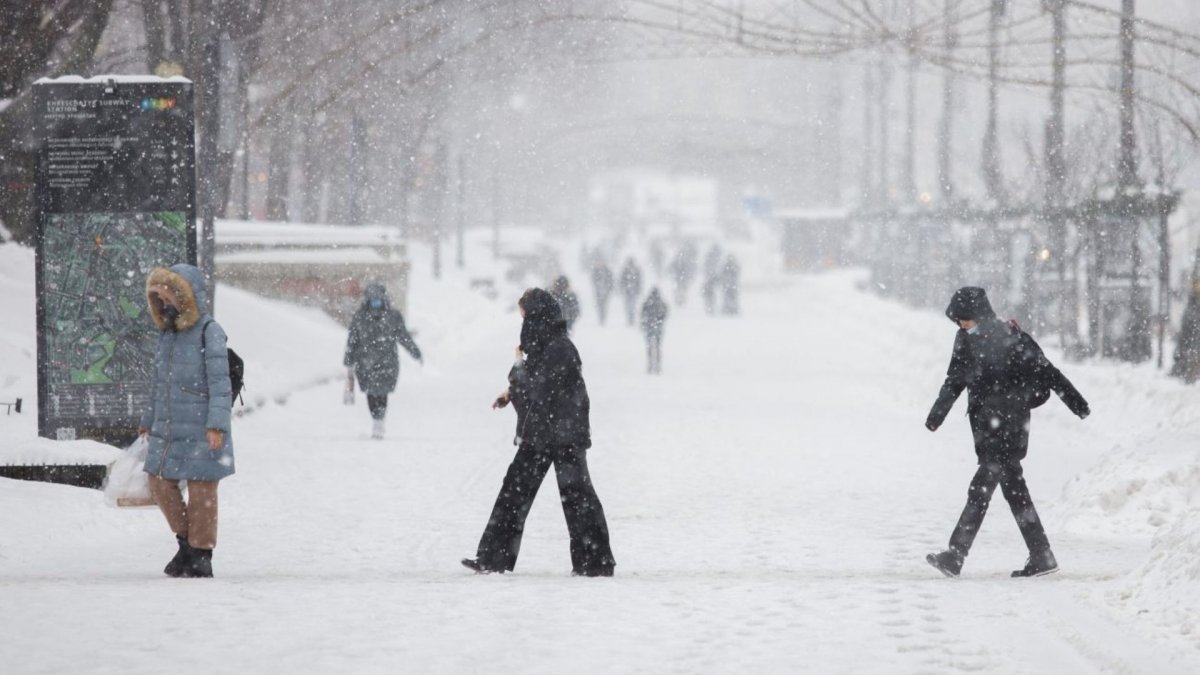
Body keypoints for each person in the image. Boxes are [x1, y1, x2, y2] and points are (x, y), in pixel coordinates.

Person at [924, 287, 1090, 579]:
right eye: (959, 320)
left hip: (1009, 427)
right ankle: (1042, 555)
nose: (962, 325)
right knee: (1016, 493)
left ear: (979, 315)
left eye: (966, 319)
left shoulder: (1010, 336)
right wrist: (936, 415)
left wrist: (1077, 403)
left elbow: (1047, 372)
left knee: (980, 491)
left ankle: (955, 555)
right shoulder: (965, 339)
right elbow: (954, 380)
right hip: (988, 427)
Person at [462, 288, 615, 576]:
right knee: (516, 493)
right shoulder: (547, 345)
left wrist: (518, 368)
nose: (523, 325)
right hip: (545, 433)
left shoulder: (560, 348)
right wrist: (510, 392)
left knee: (576, 496)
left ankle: (595, 563)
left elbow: (539, 388)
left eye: (525, 318)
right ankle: (493, 559)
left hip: (563, 434)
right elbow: (535, 382)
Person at [139, 264, 234, 578]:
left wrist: (216, 425)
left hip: (203, 426)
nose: (165, 305)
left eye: (170, 297)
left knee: (202, 490)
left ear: (187, 297)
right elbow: (157, 384)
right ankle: (187, 545)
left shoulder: (210, 331)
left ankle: (201, 554)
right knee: (158, 482)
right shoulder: (167, 335)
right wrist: (148, 420)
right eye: (160, 299)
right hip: (168, 428)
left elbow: (221, 383)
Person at [343, 283, 423, 439]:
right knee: (371, 393)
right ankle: (377, 419)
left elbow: (403, 336)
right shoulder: (360, 317)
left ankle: (378, 420)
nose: (375, 303)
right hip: (365, 363)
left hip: (387, 363)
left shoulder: (393, 317)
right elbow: (352, 340)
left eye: (378, 299)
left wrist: (415, 352)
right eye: (372, 300)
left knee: (382, 392)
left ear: (384, 299)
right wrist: (349, 360)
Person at [640, 287, 668, 374]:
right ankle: (657, 365)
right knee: (657, 346)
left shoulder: (647, 303)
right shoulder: (661, 303)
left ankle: (651, 365)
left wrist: (646, 323)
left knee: (649, 347)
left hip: (649, 327)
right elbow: (665, 314)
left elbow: (642, 314)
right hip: (657, 327)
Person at [619, 258, 643, 326]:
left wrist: (638, 289)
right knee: (629, 305)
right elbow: (622, 281)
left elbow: (639, 281)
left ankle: (631, 319)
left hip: (633, 291)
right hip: (628, 291)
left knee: (632, 305)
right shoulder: (626, 271)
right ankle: (630, 319)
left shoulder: (635, 271)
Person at [591, 259, 615, 325]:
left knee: (604, 305)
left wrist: (609, 288)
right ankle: (601, 317)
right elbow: (593, 280)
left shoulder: (607, 271)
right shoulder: (596, 271)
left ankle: (603, 317)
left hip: (606, 292)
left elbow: (611, 280)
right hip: (598, 291)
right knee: (599, 305)